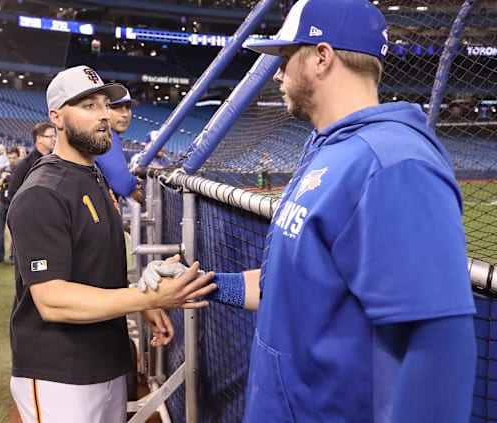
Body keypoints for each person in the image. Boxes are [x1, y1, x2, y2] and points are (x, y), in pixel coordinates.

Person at [142, 1, 477, 421]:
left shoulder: (394, 164)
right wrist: (200, 284)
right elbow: (285, 286)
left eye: (286, 57)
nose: (279, 73)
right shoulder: (326, 148)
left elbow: (440, 342)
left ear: (322, 56)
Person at [7, 64, 216, 423]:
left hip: (107, 358)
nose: (104, 115)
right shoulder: (42, 191)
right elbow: (52, 300)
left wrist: (138, 301)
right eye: (88, 106)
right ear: (56, 117)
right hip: (60, 372)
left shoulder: (91, 176)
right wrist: (145, 298)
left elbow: (92, 268)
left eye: (105, 104)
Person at [95, 89, 145, 204]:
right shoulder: (104, 134)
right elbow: (123, 184)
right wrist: (134, 185)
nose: (125, 114)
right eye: (116, 107)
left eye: (127, 107)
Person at [0, 146, 20, 264]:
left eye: (14, 158)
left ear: (18, 157)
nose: (12, 160)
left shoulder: (22, 170)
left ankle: (14, 256)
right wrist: (2, 179)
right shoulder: (4, 169)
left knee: (15, 232)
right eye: (10, 157)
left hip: (15, 203)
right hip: (3, 203)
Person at [7, 121, 55, 199]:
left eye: (54, 136)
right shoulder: (26, 164)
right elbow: (12, 192)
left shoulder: (55, 160)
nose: (54, 139)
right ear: (39, 138)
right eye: (50, 137)